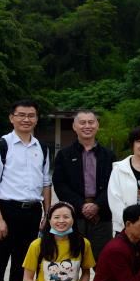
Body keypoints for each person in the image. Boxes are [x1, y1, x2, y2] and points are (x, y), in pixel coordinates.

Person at [52, 109, 115, 258]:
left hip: (102, 215)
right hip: (73, 215)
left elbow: (114, 185)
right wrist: (81, 205)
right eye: (82, 123)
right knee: (71, 260)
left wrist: (97, 205)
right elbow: (60, 185)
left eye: (91, 122)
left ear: (97, 125)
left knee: (103, 260)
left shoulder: (108, 155)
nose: (87, 126)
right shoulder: (64, 154)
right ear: (74, 127)